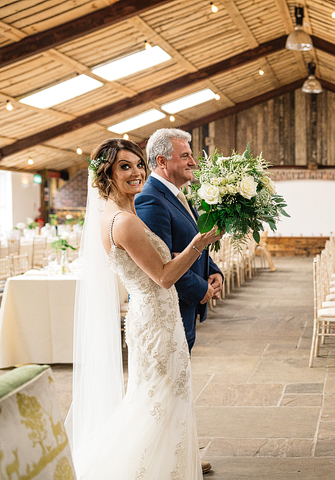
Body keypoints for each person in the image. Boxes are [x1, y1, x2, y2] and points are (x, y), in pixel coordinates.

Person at [66, 138, 223, 478]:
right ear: (107, 173)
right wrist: (198, 244)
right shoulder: (123, 221)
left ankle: (169, 462)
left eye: (139, 164)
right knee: (157, 399)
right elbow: (164, 277)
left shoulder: (126, 212)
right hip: (155, 320)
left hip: (155, 316)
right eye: (125, 166)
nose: (137, 172)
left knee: (161, 397)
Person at [135, 128, 223, 353]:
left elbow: (189, 242)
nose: (193, 162)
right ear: (162, 161)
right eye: (185, 156)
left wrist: (213, 271)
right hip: (169, 312)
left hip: (184, 309)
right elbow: (161, 265)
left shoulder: (177, 193)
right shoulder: (150, 199)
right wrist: (201, 288)